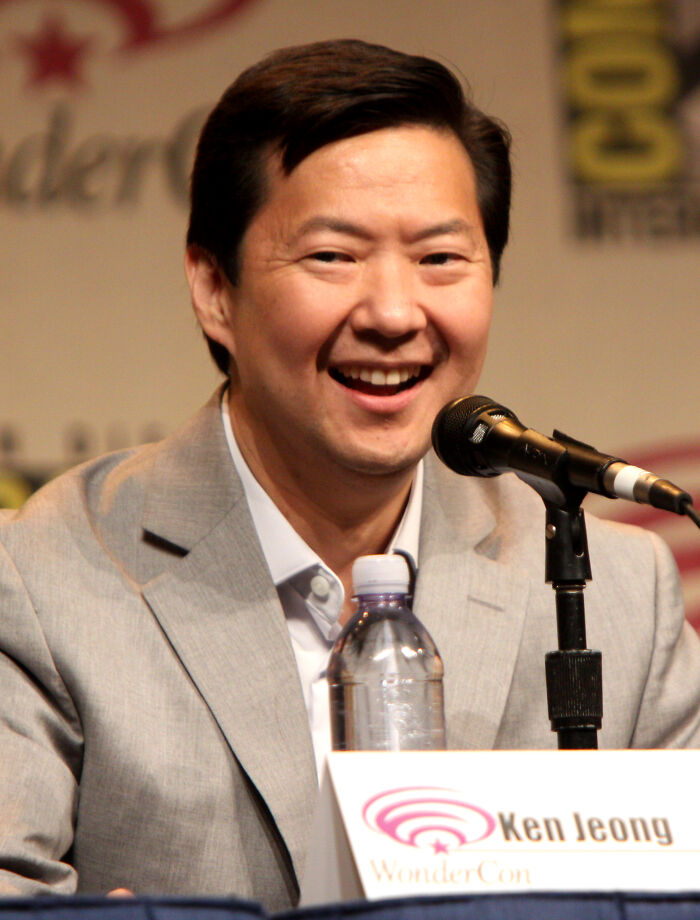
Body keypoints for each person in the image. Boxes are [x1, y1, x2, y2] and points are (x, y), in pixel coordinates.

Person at [1, 39, 699, 910]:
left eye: (441, 259)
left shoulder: (616, 596)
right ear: (215, 288)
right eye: (333, 257)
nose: (395, 313)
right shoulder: (39, 580)